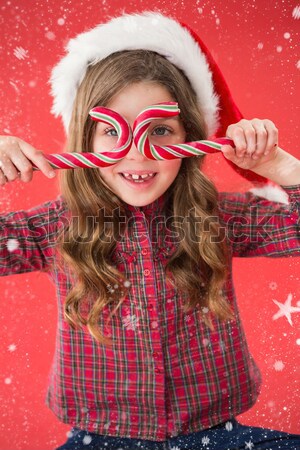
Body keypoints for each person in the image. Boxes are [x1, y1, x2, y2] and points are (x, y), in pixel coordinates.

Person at [0, 11, 299, 450]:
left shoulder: (216, 217)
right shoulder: (54, 227)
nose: (138, 154)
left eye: (159, 130)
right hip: (98, 438)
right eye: (112, 131)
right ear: (86, 140)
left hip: (217, 434)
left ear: (189, 138)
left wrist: (280, 167)